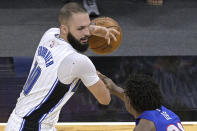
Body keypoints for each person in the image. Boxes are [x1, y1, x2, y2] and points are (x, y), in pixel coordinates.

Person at [5, 2, 120, 131]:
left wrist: (97, 29)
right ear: (64, 29)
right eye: (81, 29)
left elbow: (73, 29)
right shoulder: (79, 61)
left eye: (88, 26)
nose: (87, 33)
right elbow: (105, 99)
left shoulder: (49, 35)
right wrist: (98, 77)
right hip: (31, 127)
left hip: (20, 119)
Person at [98, 73, 185, 131]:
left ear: (129, 101)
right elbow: (128, 95)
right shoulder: (166, 112)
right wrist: (110, 85)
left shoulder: (144, 127)